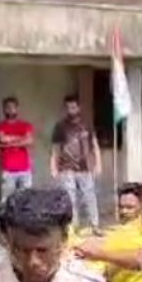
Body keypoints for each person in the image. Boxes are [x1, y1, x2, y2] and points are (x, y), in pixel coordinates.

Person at [50, 94, 102, 235]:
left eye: (73, 106)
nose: (71, 110)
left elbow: (94, 145)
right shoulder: (60, 126)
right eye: (68, 107)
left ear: (79, 107)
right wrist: (53, 167)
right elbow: (56, 148)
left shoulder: (87, 125)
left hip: (85, 167)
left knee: (89, 196)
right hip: (66, 168)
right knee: (70, 198)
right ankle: (73, 227)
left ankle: (95, 225)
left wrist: (98, 164)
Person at [0, 97, 35, 202]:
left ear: (17, 109)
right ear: (4, 109)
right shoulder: (0, 126)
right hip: (8, 169)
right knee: (6, 199)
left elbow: (29, 141)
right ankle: (5, 218)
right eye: (8, 107)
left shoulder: (25, 125)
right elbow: (2, 139)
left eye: (13, 107)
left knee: (26, 199)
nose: (10, 110)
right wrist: (21, 139)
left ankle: (24, 219)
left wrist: (10, 142)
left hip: (25, 169)